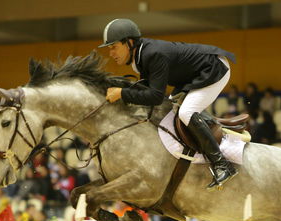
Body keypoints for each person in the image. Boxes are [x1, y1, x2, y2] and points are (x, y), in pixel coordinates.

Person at [99, 18, 237, 189]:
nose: (111, 53)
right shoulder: (141, 56)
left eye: (114, 47)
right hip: (194, 75)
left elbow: (155, 97)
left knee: (186, 112)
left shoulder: (152, 54)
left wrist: (122, 93)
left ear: (130, 42)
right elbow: (148, 89)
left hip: (214, 69)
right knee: (172, 107)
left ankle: (222, 164)